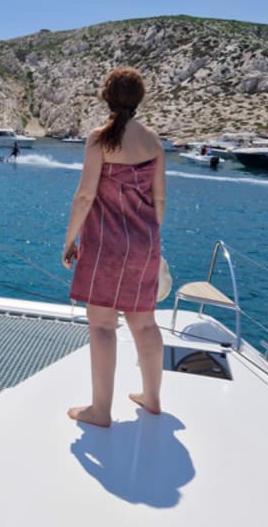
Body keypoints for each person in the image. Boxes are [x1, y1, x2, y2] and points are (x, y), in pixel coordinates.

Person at [62, 66, 167, 427]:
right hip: (144, 245)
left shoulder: (99, 139)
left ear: (105, 97)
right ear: (139, 99)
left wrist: (70, 239)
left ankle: (100, 410)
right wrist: (149, 241)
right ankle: (152, 398)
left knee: (103, 326)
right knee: (145, 324)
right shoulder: (153, 142)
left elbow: (86, 195)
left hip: (105, 246)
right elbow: (160, 202)